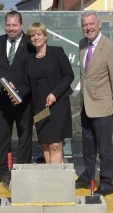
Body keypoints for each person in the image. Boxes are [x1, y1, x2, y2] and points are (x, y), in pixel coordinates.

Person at [76, 10, 113, 196]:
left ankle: (106, 182)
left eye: (91, 24)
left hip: (103, 107)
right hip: (85, 106)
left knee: (105, 148)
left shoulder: (110, 47)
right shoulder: (82, 44)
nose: (88, 28)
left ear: (99, 24)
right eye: (85, 25)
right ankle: (88, 175)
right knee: (87, 147)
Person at [0, 11, 33, 183]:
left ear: (21, 25)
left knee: (25, 137)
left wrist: (19, 91)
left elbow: (31, 71)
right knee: (2, 137)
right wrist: (2, 87)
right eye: (8, 25)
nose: (11, 28)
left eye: (14, 25)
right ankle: (2, 171)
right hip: (1, 100)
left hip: (24, 100)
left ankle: (23, 171)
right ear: (4, 25)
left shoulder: (29, 43)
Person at [25, 22, 74, 163]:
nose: (36, 37)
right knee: (46, 144)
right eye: (32, 35)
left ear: (46, 36)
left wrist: (54, 94)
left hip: (58, 104)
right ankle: (50, 179)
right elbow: (26, 83)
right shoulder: (29, 59)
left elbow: (68, 75)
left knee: (55, 144)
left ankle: (57, 182)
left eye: (39, 34)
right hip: (39, 106)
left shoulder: (57, 52)